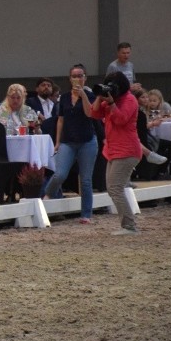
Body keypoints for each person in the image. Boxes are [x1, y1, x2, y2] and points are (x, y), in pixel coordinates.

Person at [86, 71, 142, 235]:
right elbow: (94, 113)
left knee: (115, 188)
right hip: (114, 150)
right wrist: (99, 95)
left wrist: (111, 104)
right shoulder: (113, 99)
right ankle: (128, 224)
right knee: (113, 188)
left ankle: (129, 226)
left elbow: (121, 119)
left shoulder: (129, 100)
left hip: (127, 150)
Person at [42, 65, 99, 223]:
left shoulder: (90, 95)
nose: (77, 79)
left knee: (86, 179)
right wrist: (57, 142)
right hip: (68, 141)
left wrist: (83, 96)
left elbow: (90, 113)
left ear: (85, 77)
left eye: (80, 75)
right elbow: (61, 120)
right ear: (70, 79)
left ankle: (86, 214)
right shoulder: (65, 97)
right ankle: (47, 194)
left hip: (87, 141)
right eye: (74, 76)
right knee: (60, 173)